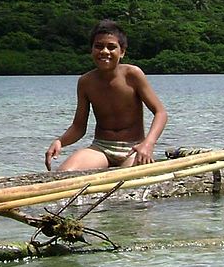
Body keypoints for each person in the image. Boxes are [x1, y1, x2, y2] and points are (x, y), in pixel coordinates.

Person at [45, 19, 169, 171]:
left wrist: (148, 143)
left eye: (111, 47)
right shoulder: (86, 82)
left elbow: (160, 112)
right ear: (91, 50)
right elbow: (79, 126)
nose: (104, 51)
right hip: (100, 148)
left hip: (133, 148)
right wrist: (60, 141)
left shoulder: (132, 75)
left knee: (128, 181)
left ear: (122, 51)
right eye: (98, 46)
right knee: (64, 173)